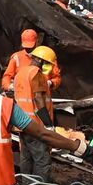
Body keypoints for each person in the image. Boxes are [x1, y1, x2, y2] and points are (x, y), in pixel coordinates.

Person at [13, 46, 58, 178]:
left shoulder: (21, 73)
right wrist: (48, 124)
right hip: (36, 125)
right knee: (42, 159)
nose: (49, 66)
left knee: (26, 157)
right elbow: (38, 99)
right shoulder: (36, 74)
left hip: (22, 123)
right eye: (48, 63)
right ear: (40, 60)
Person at [0, 29, 40, 94]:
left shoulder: (45, 55)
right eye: (26, 45)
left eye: (31, 45)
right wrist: (9, 86)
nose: (28, 48)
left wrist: (51, 83)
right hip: (21, 94)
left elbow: (56, 77)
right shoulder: (16, 57)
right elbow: (7, 76)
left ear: (37, 41)